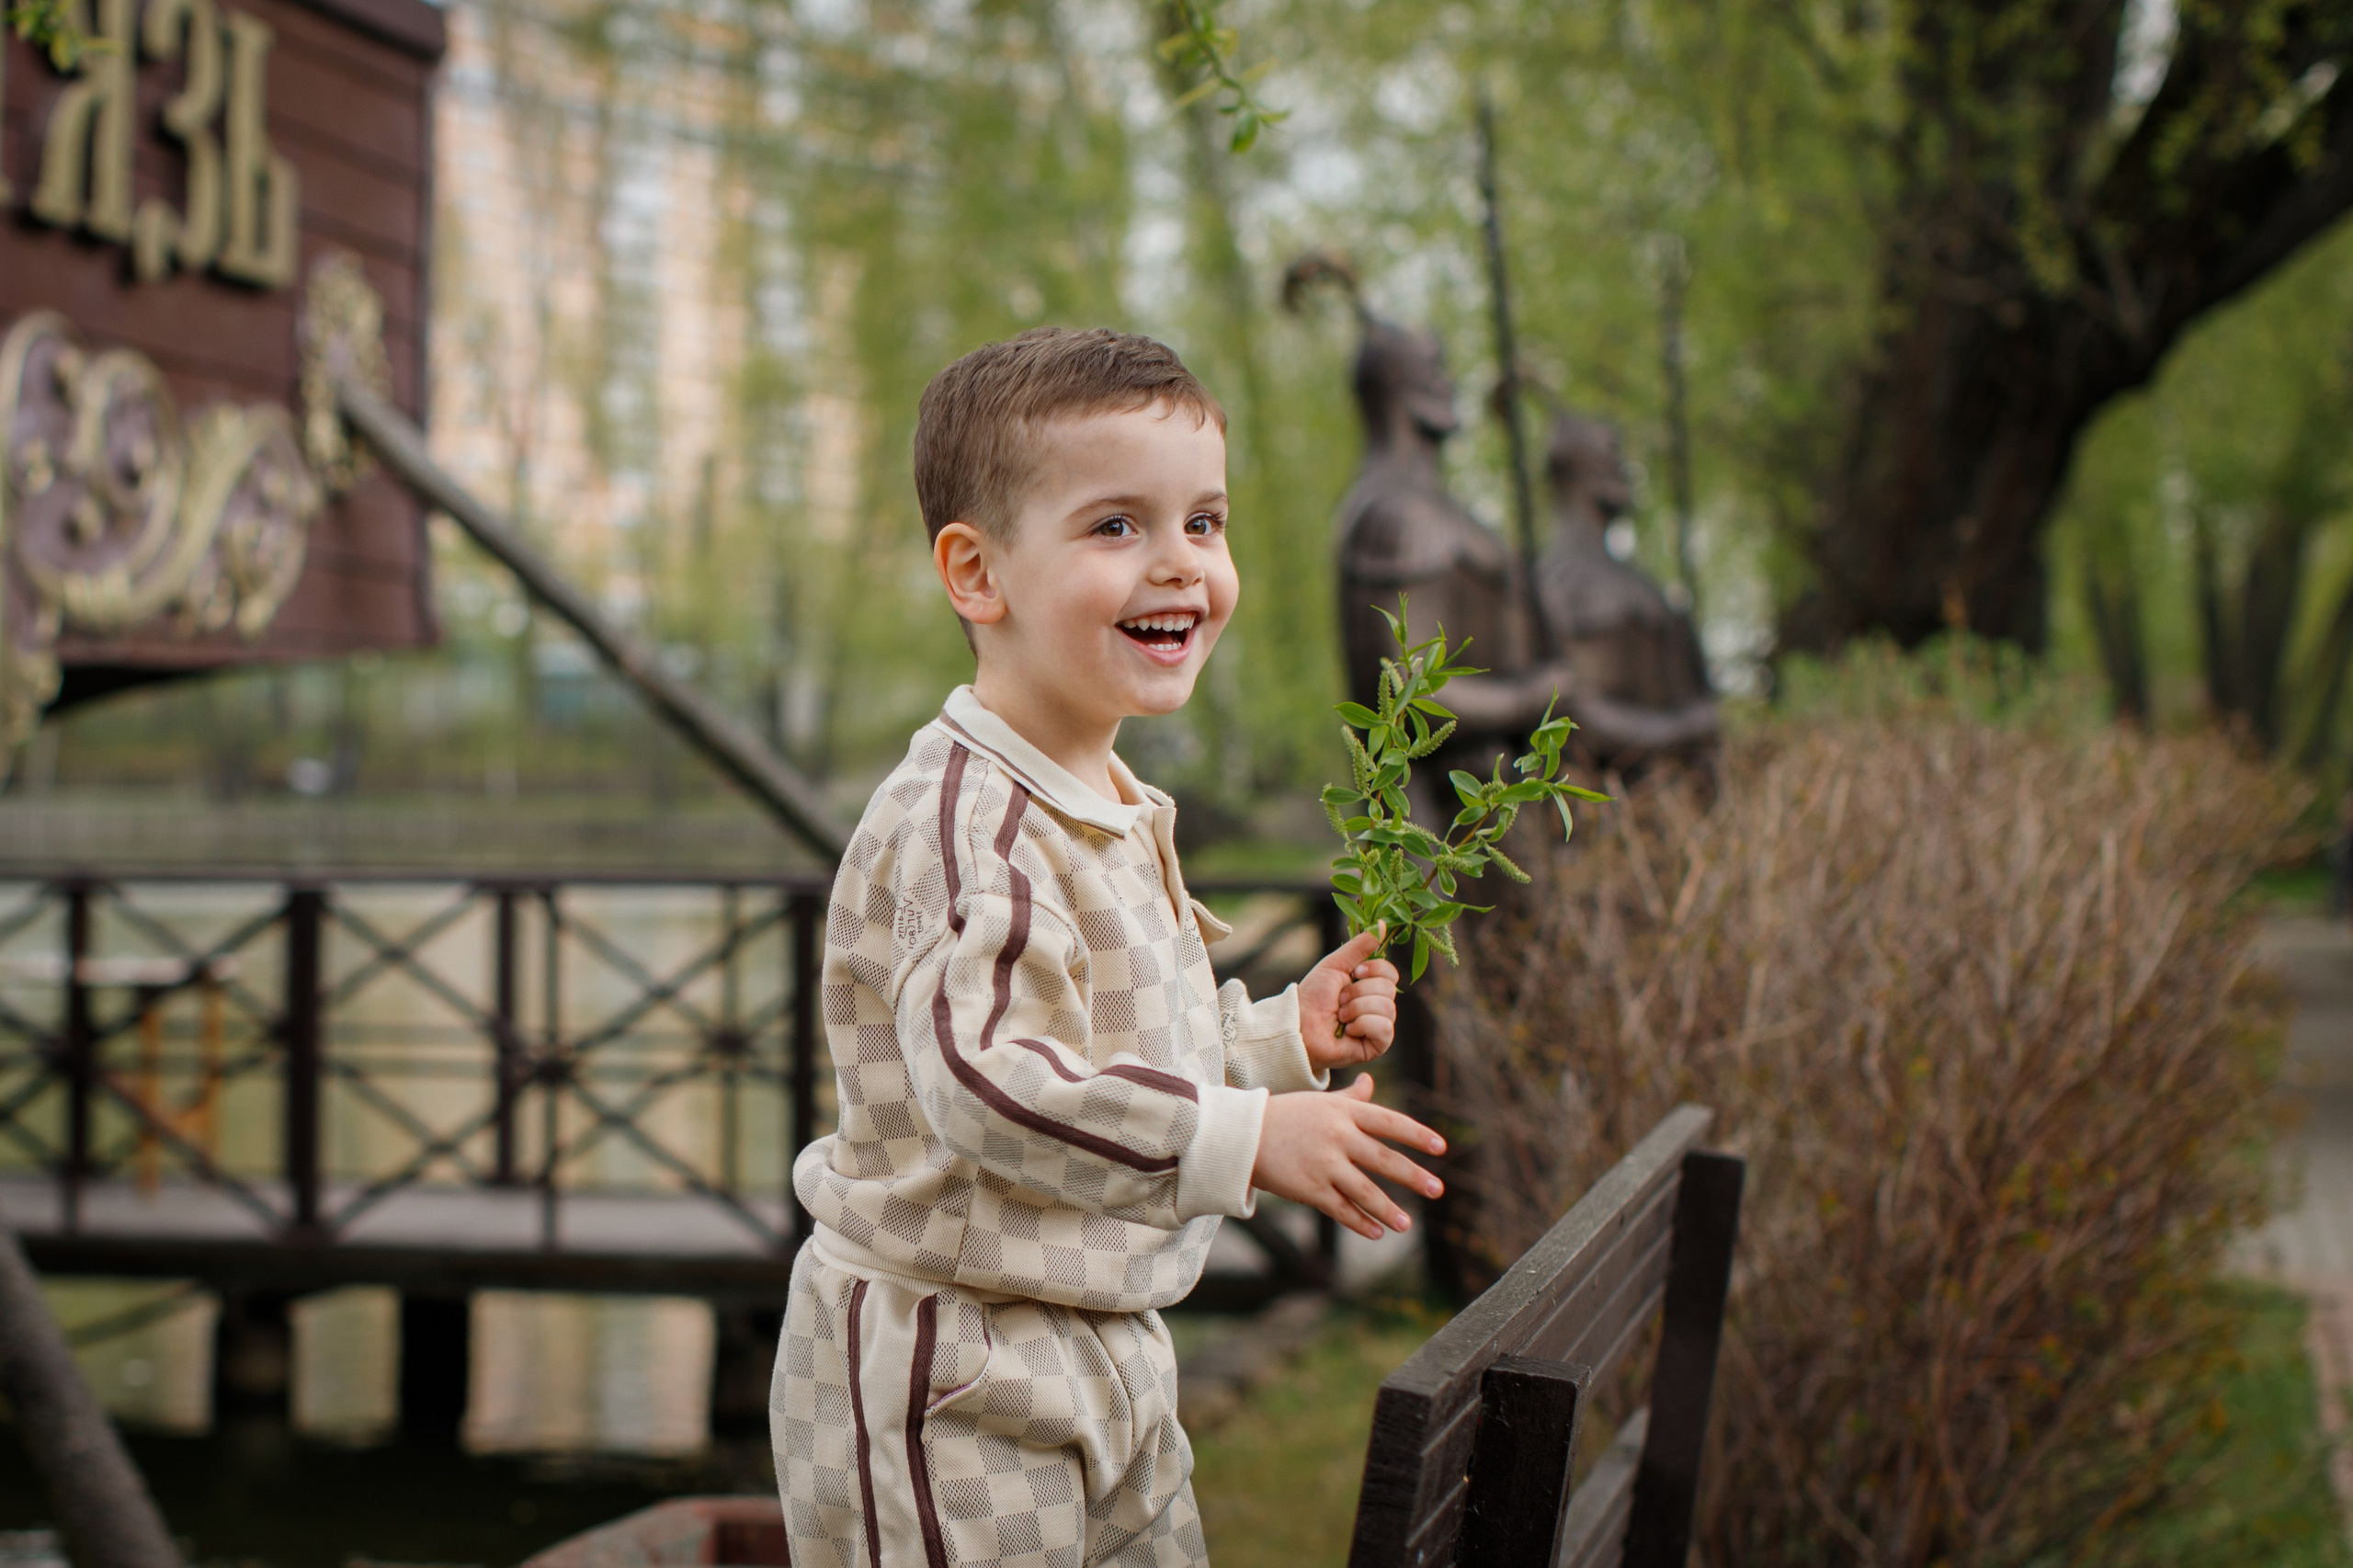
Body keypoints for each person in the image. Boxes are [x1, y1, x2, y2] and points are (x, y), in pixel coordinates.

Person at [772, 326, 1445, 1568]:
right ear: (978, 574)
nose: (1181, 564)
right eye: (1117, 526)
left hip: (1107, 1334)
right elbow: (989, 1085)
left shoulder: (1104, 793)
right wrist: (1245, 1140)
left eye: (1205, 521)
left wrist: (1273, 1040)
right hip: (953, 1368)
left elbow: (1116, 1040)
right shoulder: (964, 826)